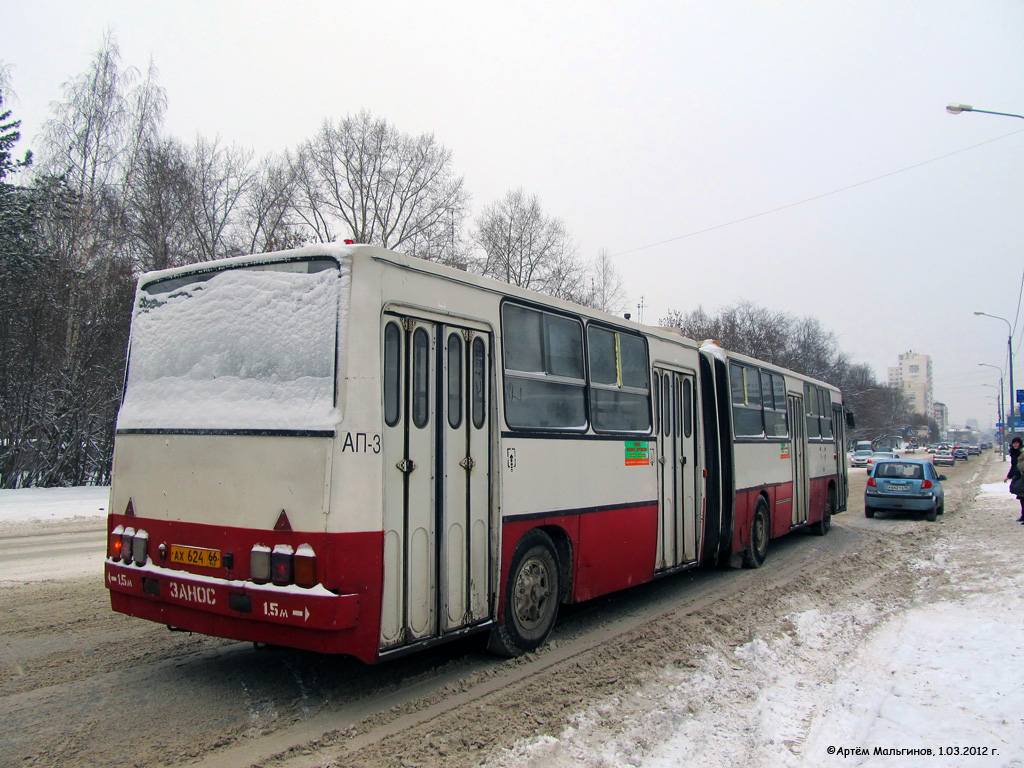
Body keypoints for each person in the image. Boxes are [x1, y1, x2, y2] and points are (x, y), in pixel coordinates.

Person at [1006, 436, 1024, 523]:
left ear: (1020, 443)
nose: (1015, 445)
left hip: (1022, 475)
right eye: (1014, 443)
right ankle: (1023, 515)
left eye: (1016, 443)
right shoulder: (1013, 453)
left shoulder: (1022, 452)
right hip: (1017, 476)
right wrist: (1009, 476)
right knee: (1021, 496)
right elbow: (1013, 466)